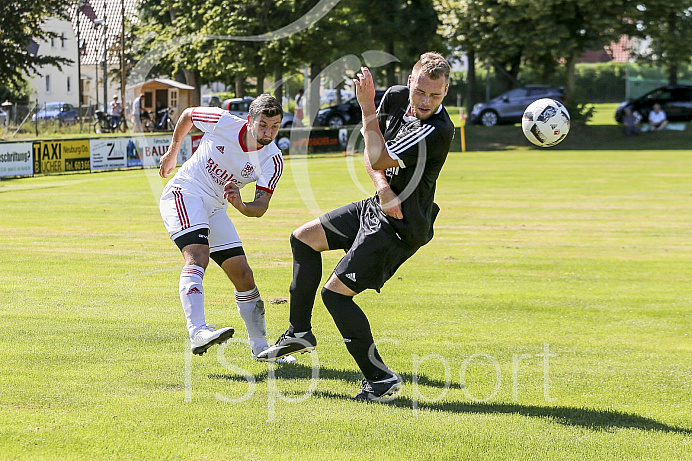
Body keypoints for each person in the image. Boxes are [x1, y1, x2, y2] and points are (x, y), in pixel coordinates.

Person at [257, 52, 454, 401]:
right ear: (411, 81)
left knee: (335, 295)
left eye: (435, 95)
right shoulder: (395, 97)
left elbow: (376, 152)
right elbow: (371, 150)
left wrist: (366, 110)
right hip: (378, 206)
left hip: (401, 227)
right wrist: (382, 187)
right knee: (303, 239)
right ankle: (299, 331)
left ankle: (380, 380)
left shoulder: (436, 131)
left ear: (446, 91)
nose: (425, 101)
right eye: (420, 91)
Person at [158, 94, 294, 361]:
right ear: (249, 120)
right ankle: (197, 331)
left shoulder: (273, 159)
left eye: (275, 126)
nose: (268, 132)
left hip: (217, 207)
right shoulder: (223, 121)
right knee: (198, 255)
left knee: (243, 275)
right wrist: (173, 152)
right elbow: (188, 115)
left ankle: (260, 348)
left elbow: (261, 206)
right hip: (185, 192)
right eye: (263, 125)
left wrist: (241, 206)